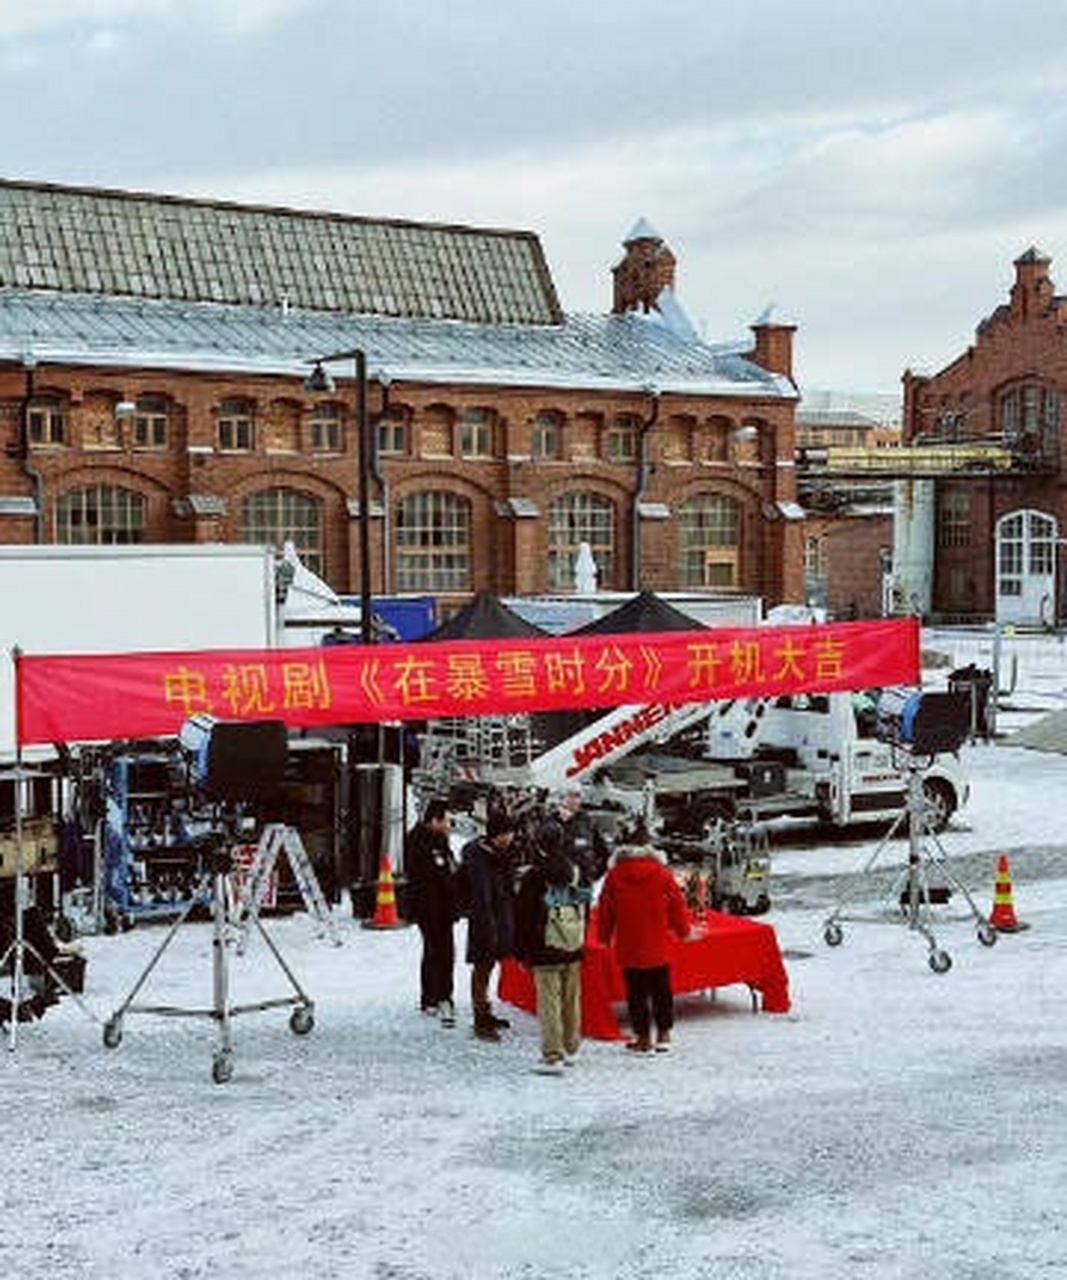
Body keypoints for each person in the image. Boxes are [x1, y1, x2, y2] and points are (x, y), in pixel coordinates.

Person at [597, 820, 690, 1054]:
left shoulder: (615, 875)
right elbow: (677, 906)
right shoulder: (662, 873)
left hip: (629, 944)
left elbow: (605, 910)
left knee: (636, 993)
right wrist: (683, 931)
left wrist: (604, 937)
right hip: (658, 942)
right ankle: (664, 1034)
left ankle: (643, 1037)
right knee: (662, 989)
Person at [515, 820, 592, 1075]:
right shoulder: (576, 870)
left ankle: (553, 1055)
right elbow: (585, 905)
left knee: (549, 1001)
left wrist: (522, 950)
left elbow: (524, 916)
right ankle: (571, 1047)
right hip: (572, 941)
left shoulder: (535, 876)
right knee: (572, 998)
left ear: (539, 845)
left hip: (545, 944)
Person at [461, 808, 518, 1042]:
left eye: (511, 833)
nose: (510, 838)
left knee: (489, 966)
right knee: (482, 968)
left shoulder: (499, 855)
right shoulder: (480, 858)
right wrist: (489, 927)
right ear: (495, 835)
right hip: (484, 920)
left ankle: (485, 1011)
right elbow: (481, 896)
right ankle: (480, 1017)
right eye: (505, 834)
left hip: (498, 918)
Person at [404, 798, 458, 1027]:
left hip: (443, 907)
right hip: (428, 907)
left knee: (441, 950)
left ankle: (437, 995)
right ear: (434, 820)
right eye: (447, 820)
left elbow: (449, 867)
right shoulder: (418, 840)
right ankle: (437, 996)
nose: (449, 825)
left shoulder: (440, 839)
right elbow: (434, 874)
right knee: (438, 950)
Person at [535, 787, 609, 885]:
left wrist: (596, 873)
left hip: (585, 881)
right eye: (569, 795)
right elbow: (540, 851)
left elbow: (602, 851)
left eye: (577, 796)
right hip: (559, 882)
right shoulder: (550, 822)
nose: (573, 800)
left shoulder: (587, 822)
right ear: (562, 800)